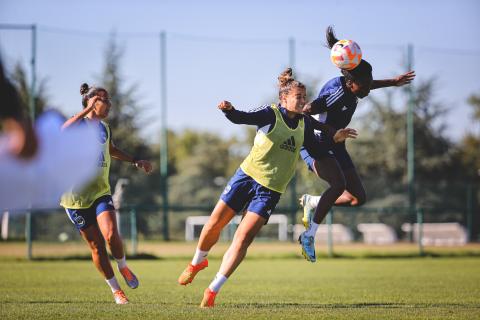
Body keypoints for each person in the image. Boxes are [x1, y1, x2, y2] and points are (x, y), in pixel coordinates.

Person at [177, 68, 354, 308]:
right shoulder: (270, 114)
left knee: (243, 237)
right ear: (284, 99)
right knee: (214, 224)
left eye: (304, 97)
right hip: (246, 177)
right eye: (298, 97)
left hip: (270, 190)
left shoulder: (304, 124)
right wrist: (229, 110)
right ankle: (197, 262)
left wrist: (335, 138)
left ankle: (212, 290)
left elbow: (317, 148)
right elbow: (242, 117)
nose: (303, 101)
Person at [297, 26, 416, 262]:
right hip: (316, 144)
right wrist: (333, 132)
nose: (369, 88)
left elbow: (368, 84)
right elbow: (306, 112)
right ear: (351, 83)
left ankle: (313, 202)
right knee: (338, 185)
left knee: (358, 198)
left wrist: (394, 81)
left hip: (336, 144)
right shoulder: (336, 93)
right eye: (365, 85)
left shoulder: (354, 85)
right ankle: (309, 235)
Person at [60, 83, 152, 305]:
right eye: (105, 100)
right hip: (75, 199)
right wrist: (85, 109)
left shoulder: (105, 128)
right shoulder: (77, 124)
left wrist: (135, 161)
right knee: (96, 246)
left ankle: (123, 266)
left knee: (111, 234)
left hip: (100, 192)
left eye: (109, 100)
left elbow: (111, 149)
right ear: (92, 102)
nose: (109, 104)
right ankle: (116, 291)